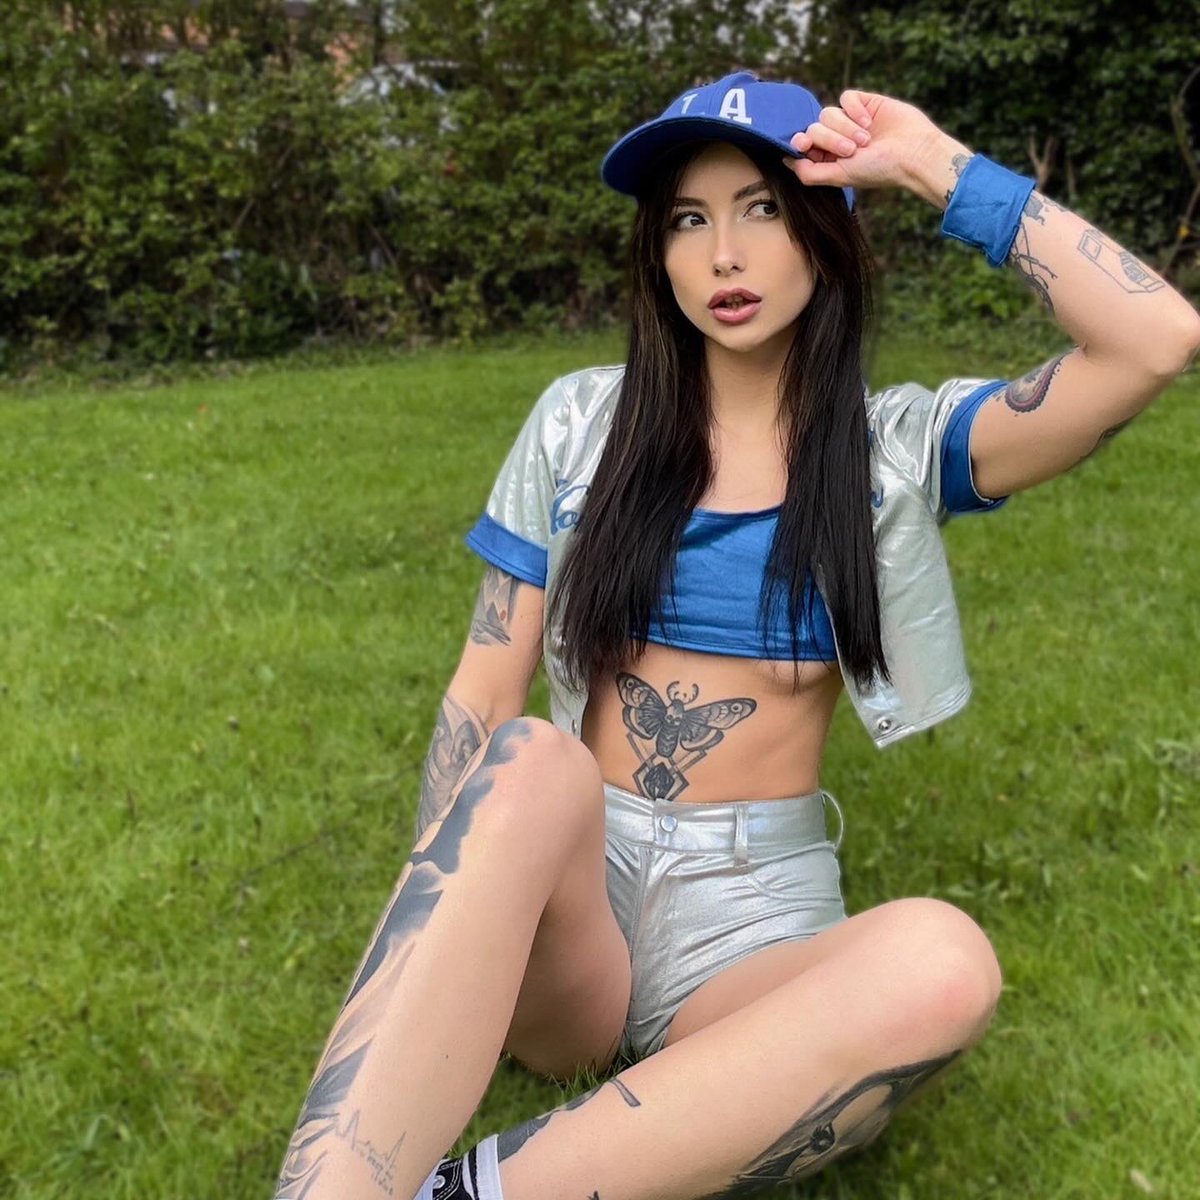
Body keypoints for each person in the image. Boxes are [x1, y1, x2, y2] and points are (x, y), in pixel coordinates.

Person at [274, 72, 1200, 1200]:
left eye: (763, 208)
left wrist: (930, 165)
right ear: (657, 253)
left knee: (945, 964)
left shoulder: (896, 452)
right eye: (688, 219)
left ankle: (469, 1193)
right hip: (577, 906)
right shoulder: (579, 422)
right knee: (526, 760)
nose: (724, 255)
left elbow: (1155, 340)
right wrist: (449, 919)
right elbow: (483, 687)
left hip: (753, 924)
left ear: (824, 231)